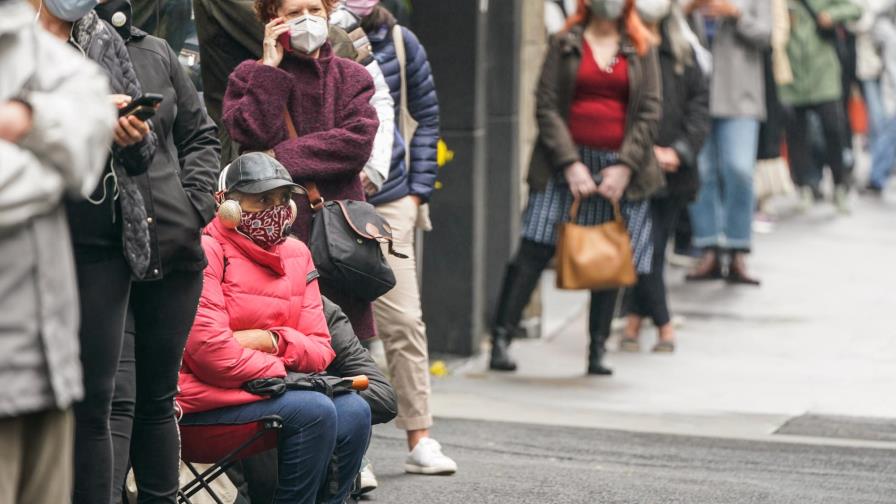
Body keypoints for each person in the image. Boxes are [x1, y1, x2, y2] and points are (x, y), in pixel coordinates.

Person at [178, 153, 371, 504]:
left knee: (356, 411)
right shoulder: (207, 248)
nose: (276, 209)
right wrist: (283, 373)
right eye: (262, 199)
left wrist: (271, 341)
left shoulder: (297, 254)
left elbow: (321, 349)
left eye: (283, 199)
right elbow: (211, 354)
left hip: (273, 392)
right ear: (226, 204)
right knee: (314, 409)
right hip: (205, 405)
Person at [92, 1, 223, 501]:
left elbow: (201, 135)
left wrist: (193, 207)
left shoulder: (158, 51)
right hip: (107, 254)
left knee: (156, 398)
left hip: (173, 247)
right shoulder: (59, 56)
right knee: (116, 401)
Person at [489, 0, 662, 375]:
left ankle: (597, 349)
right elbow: (546, 105)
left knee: (610, 254)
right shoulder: (567, 41)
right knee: (533, 246)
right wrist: (569, 163)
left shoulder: (640, 44)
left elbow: (650, 110)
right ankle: (501, 337)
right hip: (562, 163)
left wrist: (625, 166)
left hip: (619, 168)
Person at [34, 1, 160, 502]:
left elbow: (144, 156)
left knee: (94, 405)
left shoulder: (103, 37)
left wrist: (131, 134)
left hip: (102, 243)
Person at [0, 1, 115, 502]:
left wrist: (25, 119)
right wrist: (53, 166)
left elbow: (90, 127)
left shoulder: (30, 43)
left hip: (47, 364)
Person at [222, 0, 380, 341]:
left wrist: (278, 155)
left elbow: (356, 144)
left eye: (315, 10)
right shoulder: (249, 76)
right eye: (294, 13)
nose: (307, 20)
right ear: (272, 20)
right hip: (271, 238)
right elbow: (249, 133)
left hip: (337, 242)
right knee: (279, 346)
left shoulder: (352, 76)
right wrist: (269, 69)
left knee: (346, 356)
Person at [352, 2, 457, 476]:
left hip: (391, 198)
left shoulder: (400, 41)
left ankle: (421, 437)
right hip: (333, 195)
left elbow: (427, 118)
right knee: (343, 326)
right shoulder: (308, 36)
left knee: (403, 319)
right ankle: (353, 449)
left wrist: (416, 194)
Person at [224, 296, 398, 503]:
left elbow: (383, 396)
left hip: (313, 438)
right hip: (238, 437)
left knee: (348, 408)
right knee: (307, 410)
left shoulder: (318, 306)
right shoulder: (221, 301)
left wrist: (313, 386)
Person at [623, 0, 710, 353]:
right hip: (637, 170)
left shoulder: (684, 51)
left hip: (675, 174)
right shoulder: (628, 51)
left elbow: (700, 109)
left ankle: (632, 321)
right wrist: (646, 154)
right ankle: (664, 325)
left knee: (652, 249)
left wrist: (680, 152)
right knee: (646, 249)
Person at [683, 0, 770, 285]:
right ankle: (708, 247)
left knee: (739, 169)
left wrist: (735, 14)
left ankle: (737, 248)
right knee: (702, 173)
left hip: (740, 95)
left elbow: (767, 35)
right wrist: (689, 8)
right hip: (696, 94)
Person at [779, 0, 862, 214]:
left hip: (823, 71)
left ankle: (839, 185)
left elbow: (855, 8)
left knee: (833, 129)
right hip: (792, 72)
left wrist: (831, 15)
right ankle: (806, 186)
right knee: (796, 133)